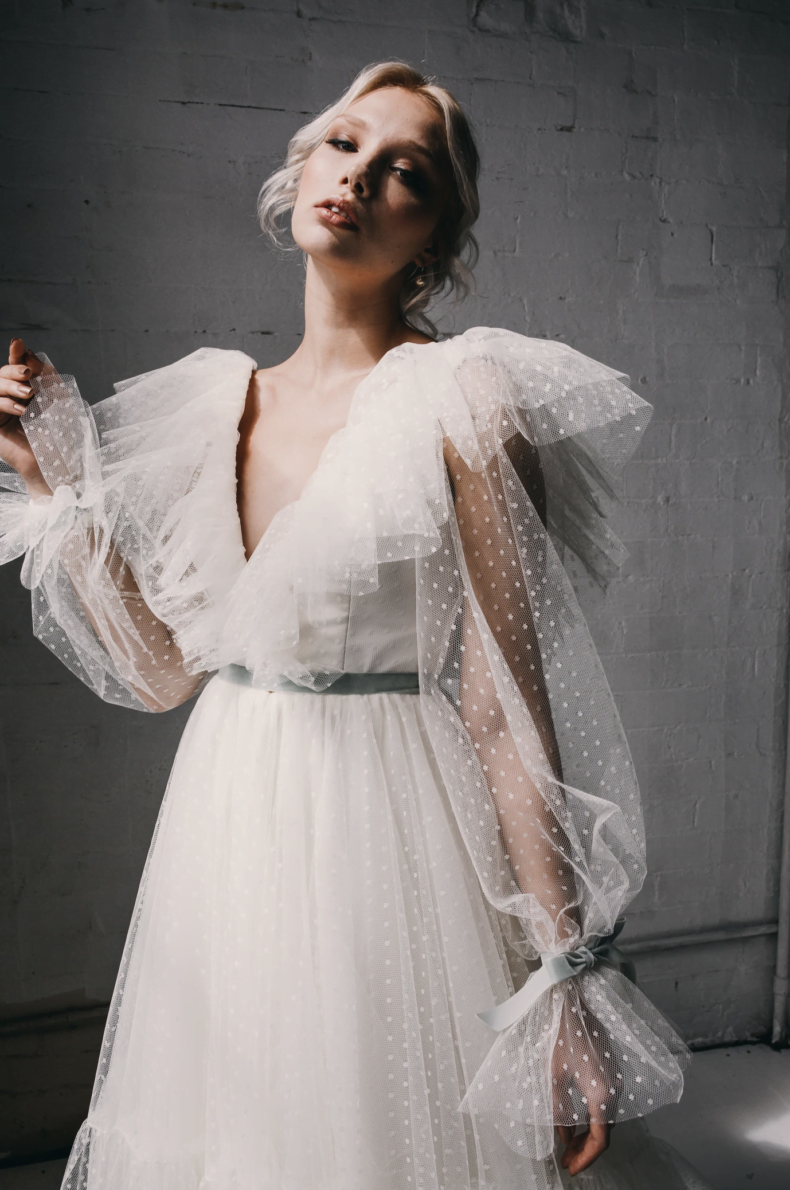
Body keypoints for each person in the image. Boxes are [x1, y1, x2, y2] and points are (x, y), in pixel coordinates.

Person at [0, 63, 710, 1190]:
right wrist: (56, 486)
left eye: (404, 171)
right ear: (299, 174)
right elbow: (161, 673)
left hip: (391, 827)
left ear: (436, 234)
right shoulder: (213, 402)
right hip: (227, 823)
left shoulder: (464, 398)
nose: (360, 177)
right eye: (343, 144)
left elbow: (504, 709)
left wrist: (564, 977)